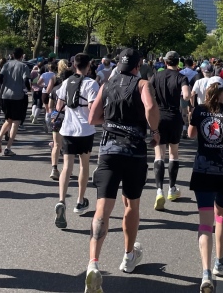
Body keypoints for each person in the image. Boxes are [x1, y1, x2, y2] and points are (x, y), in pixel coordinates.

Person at [84, 48, 160, 293]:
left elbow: (92, 118)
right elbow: (150, 107)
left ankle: (93, 263)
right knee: (131, 205)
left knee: (102, 208)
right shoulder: (142, 84)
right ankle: (128, 256)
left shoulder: (107, 83)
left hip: (108, 151)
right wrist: (154, 131)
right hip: (134, 152)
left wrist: (110, 122)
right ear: (138, 66)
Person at [188, 77, 223, 292]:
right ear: (222, 93)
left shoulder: (199, 111)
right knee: (221, 213)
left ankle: (205, 273)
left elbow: (190, 134)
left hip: (203, 169)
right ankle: (220, 260)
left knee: (205, 223)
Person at [52, 53, 99, 228]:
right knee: (84, 166)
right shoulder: (91, 83)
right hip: (85, 130)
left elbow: (59, 106)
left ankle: (61, 200)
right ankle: (80, 201)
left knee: (66, 167)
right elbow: (93, 108)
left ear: (74, 65)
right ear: (88, 66)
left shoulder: (66, 82)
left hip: (68, 129)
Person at [150, 51, 190, 210]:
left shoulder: (156, 76)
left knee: (159, 155)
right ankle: (172, 189)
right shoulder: (181, 77)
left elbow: (148, 93)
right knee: (174, 153)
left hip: (159, 117)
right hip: (174, 117)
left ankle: (159, 191)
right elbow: (186, 96)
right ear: (178, 62)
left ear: (165, 62)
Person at [0, 47, 31, 156]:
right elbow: (26, 80)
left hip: (5, 95)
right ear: (22, 55)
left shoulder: (6, 65)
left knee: (8, 119)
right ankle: (8, 147)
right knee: (16, 122)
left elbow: (0, 79)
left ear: (13, 55)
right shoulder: (24, 66)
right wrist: (28, 89)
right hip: (17, 96)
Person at [48, 60, 73, 180]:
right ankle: (67, 169)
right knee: (68, 146)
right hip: (70, 119)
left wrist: (51, 116)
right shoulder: (73, 90)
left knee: (56, 144)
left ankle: (54, 168)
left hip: (57, 118)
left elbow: (50, 105)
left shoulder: (55, 89)